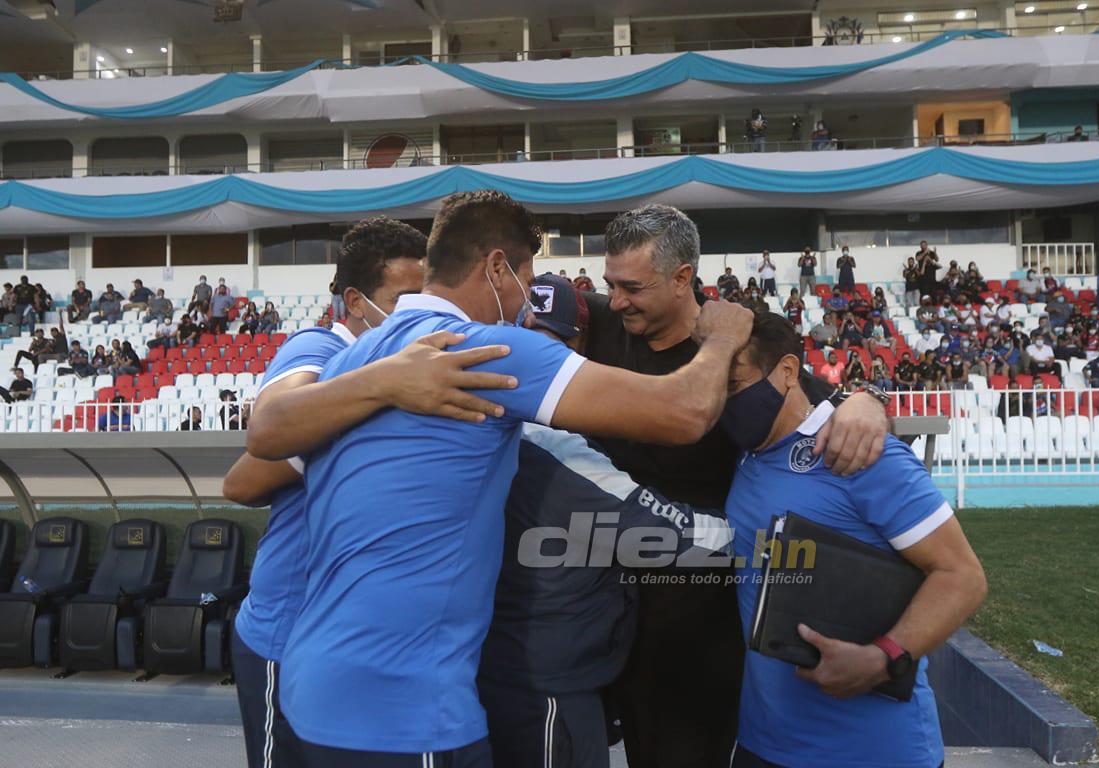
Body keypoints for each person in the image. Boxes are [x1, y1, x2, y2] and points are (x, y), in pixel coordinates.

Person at [274, 192, 759, 766]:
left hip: (311, 681)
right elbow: (683, 413)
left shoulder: (357, 357)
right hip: (406, 702)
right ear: (497, 268)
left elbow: (265, 441)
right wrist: (725, 337)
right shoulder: (488, 351)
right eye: (526, 279)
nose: (527, 306)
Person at [582, 204, 888, 768]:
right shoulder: (600, 325)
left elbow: (814, 397)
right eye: (610, 285)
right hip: (596, 603)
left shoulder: (736, 347)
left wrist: (868, 401)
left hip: (698, 617)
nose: (617, 299)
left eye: (632, 286)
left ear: (682, 279)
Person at [223, 214, 520, 768]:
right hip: (286, 630)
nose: (417, 309)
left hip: (354, 639)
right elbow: (246, 475)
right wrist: (376, 397)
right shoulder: (320, 348)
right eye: (404, 295)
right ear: (357, 301)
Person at [479, 275, 735, 768]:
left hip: (497, 670)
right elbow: (679, 537)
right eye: (532, 337)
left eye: (552, 341)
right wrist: (762, 524)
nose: (542, 353)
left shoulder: (481, 416)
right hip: (549, 689)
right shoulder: (556, 448)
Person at [722, 307, 986, 768]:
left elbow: (962, 576)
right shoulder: (743, 453)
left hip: (873, 751)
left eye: (733, 385)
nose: (720, 400)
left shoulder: (859, 452)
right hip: (763, 745)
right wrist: (867, 395)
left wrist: (884, 658)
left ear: (786, 372)